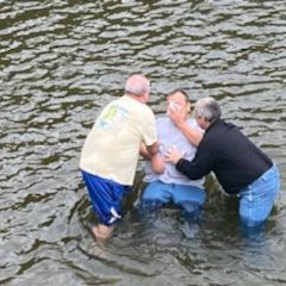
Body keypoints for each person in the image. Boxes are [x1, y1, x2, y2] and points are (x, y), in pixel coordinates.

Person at [165, 97, 281, 227]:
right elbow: (206, 143)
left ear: (201, 118)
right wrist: (181, 124)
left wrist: (178, 160)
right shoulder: (226, 128)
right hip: (269, 173)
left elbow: (194, 172)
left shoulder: (211, 142)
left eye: (196, 115)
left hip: (256, 188)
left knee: (251, 229)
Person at [80, 74, 161, 246]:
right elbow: (152, 147)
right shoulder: (144, 112)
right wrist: (155, 157)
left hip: (89, 162)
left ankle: (102, 222)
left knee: (114, 205)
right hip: (106, 173)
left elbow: (126, 134)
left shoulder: (114, 105)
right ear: (146, 94)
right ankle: (99, 248)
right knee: (110, 220)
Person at [140, 89, 206, 220]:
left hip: (188, 183)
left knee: (191, 209)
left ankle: (190, 237)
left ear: (188, 106)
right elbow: (139, 143)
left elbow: (203, 143)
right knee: (149, 203)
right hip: (161, 180)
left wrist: (179, 123)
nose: (173, 107)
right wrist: (153, 156)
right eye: (170, 104)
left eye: (177, 103)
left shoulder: (198, 126)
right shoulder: (158, 124)